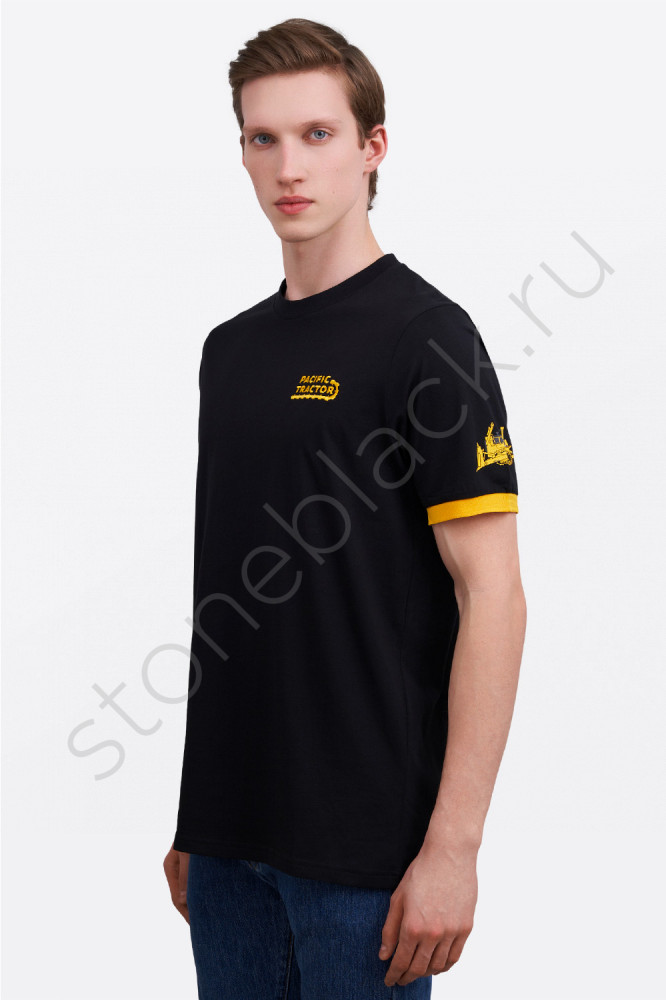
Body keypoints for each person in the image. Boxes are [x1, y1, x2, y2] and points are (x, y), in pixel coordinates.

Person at [163, 17, 527, 998]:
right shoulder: (229, 352)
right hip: (227, 844)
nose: (289, 167)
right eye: (264, 137)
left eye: (318, 134)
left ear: (373, 147)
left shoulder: (429, 339)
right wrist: (199, 817)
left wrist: (453, 847)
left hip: (365, 860)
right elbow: (230, 595)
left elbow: (493, 593)